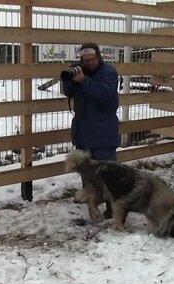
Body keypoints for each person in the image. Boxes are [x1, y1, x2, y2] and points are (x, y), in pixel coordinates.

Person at [61, 42, 120, 218]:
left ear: (99, 57)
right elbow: (68, 92)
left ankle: (113, 209)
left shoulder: (109, 72)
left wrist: (84, 81)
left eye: (91, 60)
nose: (88, 63)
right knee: (86, 174)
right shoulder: (81, 71)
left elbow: (105, 93)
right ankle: (92, 208)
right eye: (84, 60)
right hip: (83, 132)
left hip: (103, 133)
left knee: (109, 174)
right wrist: (70, 78)